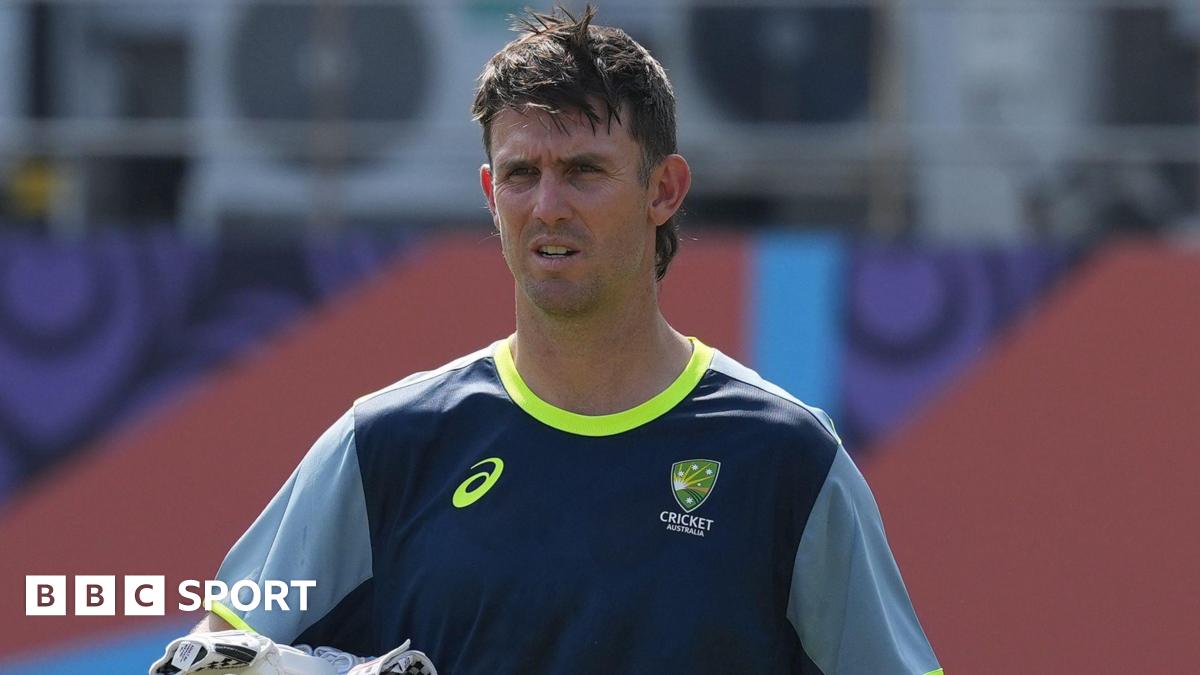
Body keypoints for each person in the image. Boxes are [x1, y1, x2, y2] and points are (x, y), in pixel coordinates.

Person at [189, 6, 943, 674]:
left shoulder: (788, 459)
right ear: (491, 195)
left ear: (664, 189)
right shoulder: (386, 444)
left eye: (584, 171)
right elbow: (214, 656)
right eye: (522, 173)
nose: (548, 206)